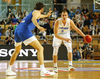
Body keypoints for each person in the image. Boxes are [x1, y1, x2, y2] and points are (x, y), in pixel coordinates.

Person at [6, 2, 55, 76]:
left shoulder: (35, 12)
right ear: (42, 9)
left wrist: (47, 15)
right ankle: (43, 70)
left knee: (17, 51)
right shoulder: (37, 12)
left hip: (17, 30)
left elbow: (39, 16)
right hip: (24, 30)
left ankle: (8, 70)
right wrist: (39, 27)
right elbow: (34, 19)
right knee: (40, 48)